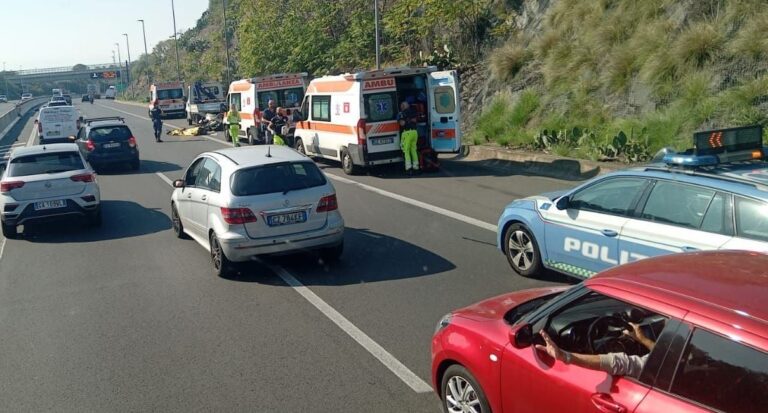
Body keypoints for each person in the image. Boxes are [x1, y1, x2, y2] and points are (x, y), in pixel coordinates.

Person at [536, 322, 656, 378]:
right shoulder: (672, 362)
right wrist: (644, 340)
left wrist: (565, 356)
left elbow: (620, 363)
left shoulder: (659, 368)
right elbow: (667, 357)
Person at [397, 101, 420, 175]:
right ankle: (416, 167)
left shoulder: (401, 114)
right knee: (413, 150)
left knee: (406, 151)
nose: (401, 107)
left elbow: (402, 123)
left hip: (407, 133)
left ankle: (408, 168)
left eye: (401, 106)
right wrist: (410, 120)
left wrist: (404, 120)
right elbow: (415, 120)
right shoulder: (413, 111)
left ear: (403, 107)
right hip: (414, 132)